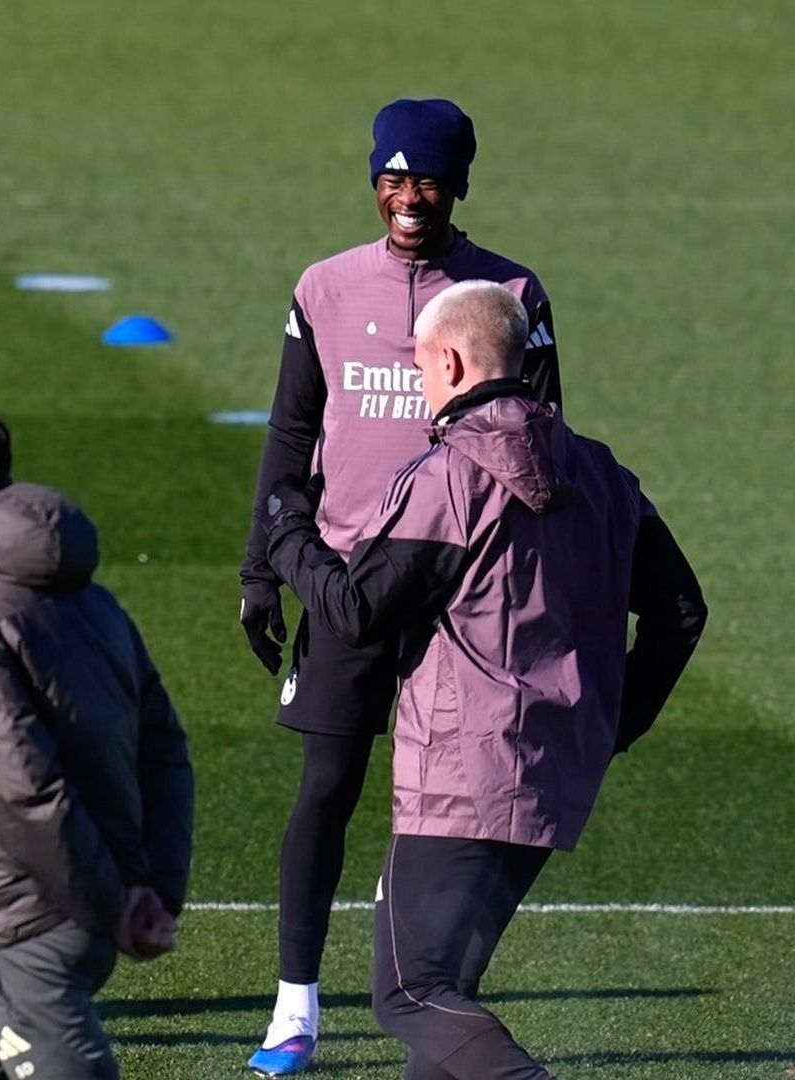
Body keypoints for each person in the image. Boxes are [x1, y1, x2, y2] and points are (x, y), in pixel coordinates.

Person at [261, 281, 705, 1078]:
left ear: (453, 362)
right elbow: (681, 610)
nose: (422, 385)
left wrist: (287, 532)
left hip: (462, 775)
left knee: (410, 994)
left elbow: (357, 611)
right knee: (448, 996)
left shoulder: (450, 479)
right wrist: (613, 723)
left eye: (422, 368)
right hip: (556, 771)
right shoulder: (602, 473)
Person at [237, 98, 563, 1076]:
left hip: (462, 599)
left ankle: (435, 998)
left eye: (424, 180)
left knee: (446, 802)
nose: (406, 197)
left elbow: (541, 442)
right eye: (391, 178)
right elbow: (291, 432)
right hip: (346, 584)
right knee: (328, 787)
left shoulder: (511, 293)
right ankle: (294, 1010)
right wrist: (261, 569)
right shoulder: (325, 288)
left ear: (458, 185)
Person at [0, 404, 193, 1080]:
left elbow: (21, 790)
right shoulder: (95, 603)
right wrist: (151, 888)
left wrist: (117, 904)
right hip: (56, 912)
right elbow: (164, 750)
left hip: (23, 919)